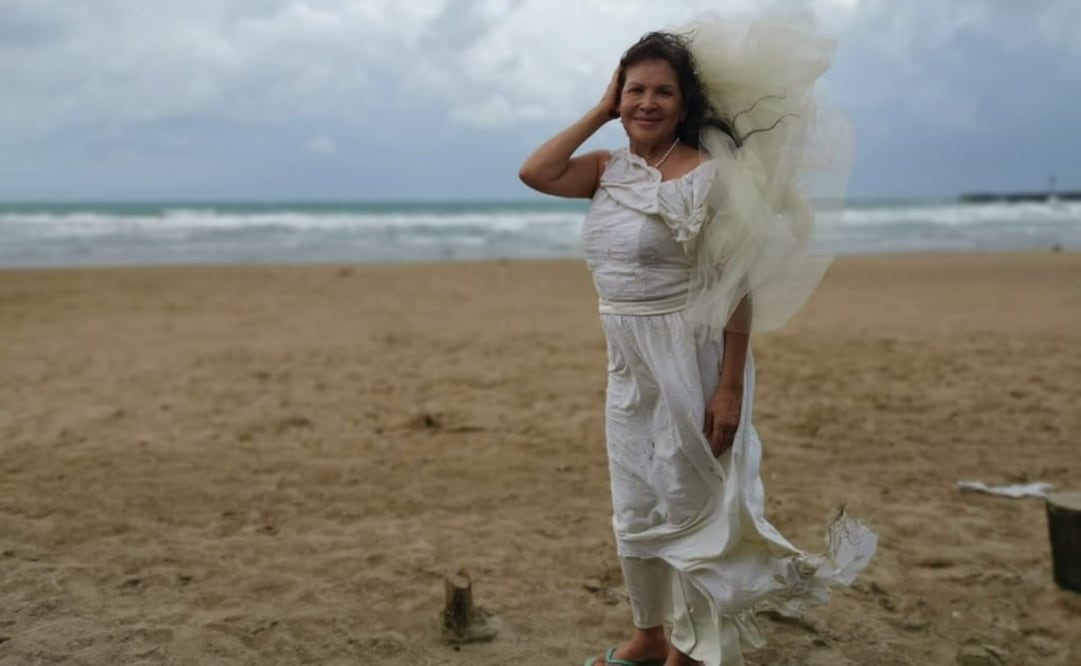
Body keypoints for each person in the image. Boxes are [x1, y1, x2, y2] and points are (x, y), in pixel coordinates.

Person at [519, 14, 876, 666]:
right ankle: (648, 635)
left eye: (663, 91)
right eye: (634, 90)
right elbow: (534, 172)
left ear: (685, 104)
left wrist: (729, 386)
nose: (646, 103)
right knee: (635, 500)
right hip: (626, 360)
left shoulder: (710, 176)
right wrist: (599, 110)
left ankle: (690, 649)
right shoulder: (604, 169)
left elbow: (736, 285)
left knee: (692, 504)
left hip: (691, 354)